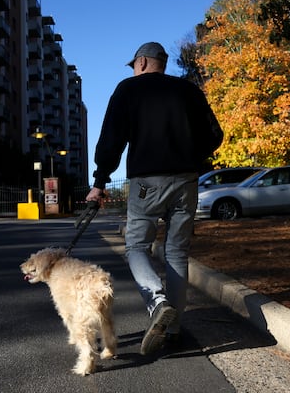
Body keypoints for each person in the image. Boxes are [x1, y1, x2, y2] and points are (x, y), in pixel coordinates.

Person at [86, 42, 223, 356]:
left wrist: (100, 181)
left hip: (147, 180)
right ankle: (173, 330)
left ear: (144, 62)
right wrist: (190, 156)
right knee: (176, 252)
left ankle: (158, 303)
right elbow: (215, 135)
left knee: (136, 245)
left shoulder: (129, 89)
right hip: (187, 179)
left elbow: (111, 139)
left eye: (134, 64)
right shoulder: (189, 91)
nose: (134, 70)